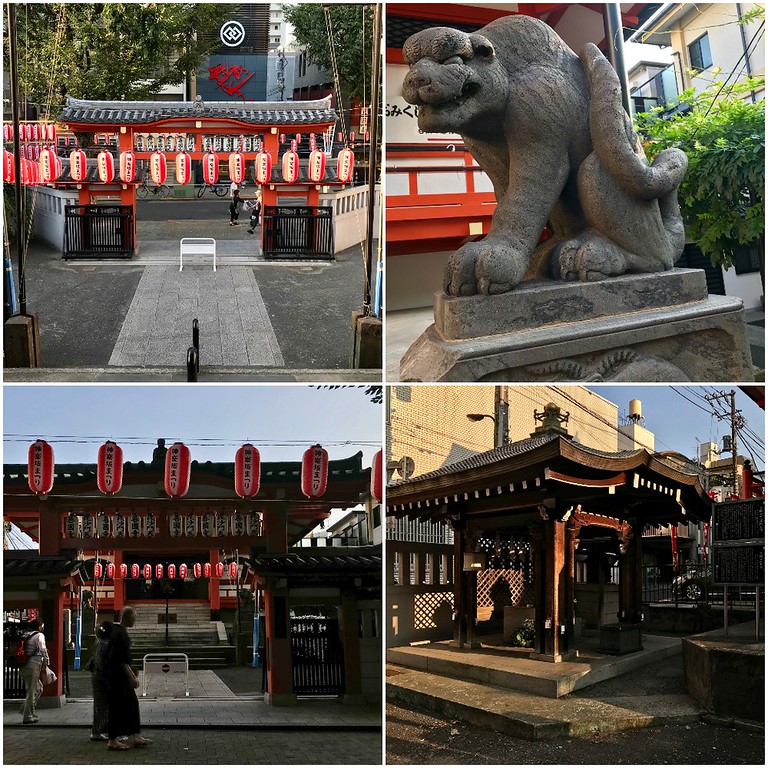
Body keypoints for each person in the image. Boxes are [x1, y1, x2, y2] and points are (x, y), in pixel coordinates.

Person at [105, 606, 151, 751]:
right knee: (117, 706)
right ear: (129, 617)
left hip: (117, 674)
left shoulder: (117, 631)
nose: (135, 620)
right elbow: (121, 660)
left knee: (131, 704)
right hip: (118, 675)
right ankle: (113, 740)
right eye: (134, 617)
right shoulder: (120, 634)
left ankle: (134, 735)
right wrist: (132, 678)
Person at [19, 618, 49, 724]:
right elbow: (43, 649)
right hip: (33, 664)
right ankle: (27, 716)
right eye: (42, 625)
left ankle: (26, 710)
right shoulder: (39, 636)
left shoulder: (25, 635)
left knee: (38, 688)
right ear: (39, 626)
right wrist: (47, 660)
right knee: (32, 691)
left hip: (23, 665)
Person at [86, 621, 113, 741]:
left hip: (97, 676)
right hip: (102, 677)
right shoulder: (104, 643)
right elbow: (100, 662)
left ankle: (99, 730)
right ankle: (97, 731)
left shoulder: (99, 642)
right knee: (102, 705)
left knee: (101, 705)